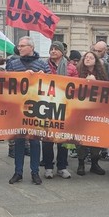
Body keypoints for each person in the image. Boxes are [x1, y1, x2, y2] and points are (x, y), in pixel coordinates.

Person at [6, 36, 50, 185]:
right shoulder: (12, 63)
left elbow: (53, 84)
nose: (19, 48)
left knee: (35, 142)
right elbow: (7, 82)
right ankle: (18, 172)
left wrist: (44, 78)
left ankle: (35, 172)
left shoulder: (43, 64)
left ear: (31, 47)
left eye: (22, 45)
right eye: (19, 46)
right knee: (19, 140)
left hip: (37, 108)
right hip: (18, 107)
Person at [43, 41, 78, 180]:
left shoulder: (71, 68)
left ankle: (62, 167)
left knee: (63, 139)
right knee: (46, 140)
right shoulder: (44, 65)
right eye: (51, 49)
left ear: (62, 52)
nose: (53, 51)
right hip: (47, 106)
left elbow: (76, 85)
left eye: (56, 49)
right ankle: (48, 167)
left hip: (65, 106)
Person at [75, 51, 108, 176]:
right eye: (86, 57)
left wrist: (96, 82)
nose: (88, 59)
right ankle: (81, 163)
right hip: (82, 111)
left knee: (96, 138)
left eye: (91, 57)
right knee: (81, 139)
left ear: (96, 61)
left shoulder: (102, 75)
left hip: (97, 111)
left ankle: (95, 163)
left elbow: (107, 89)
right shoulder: (78, 73)